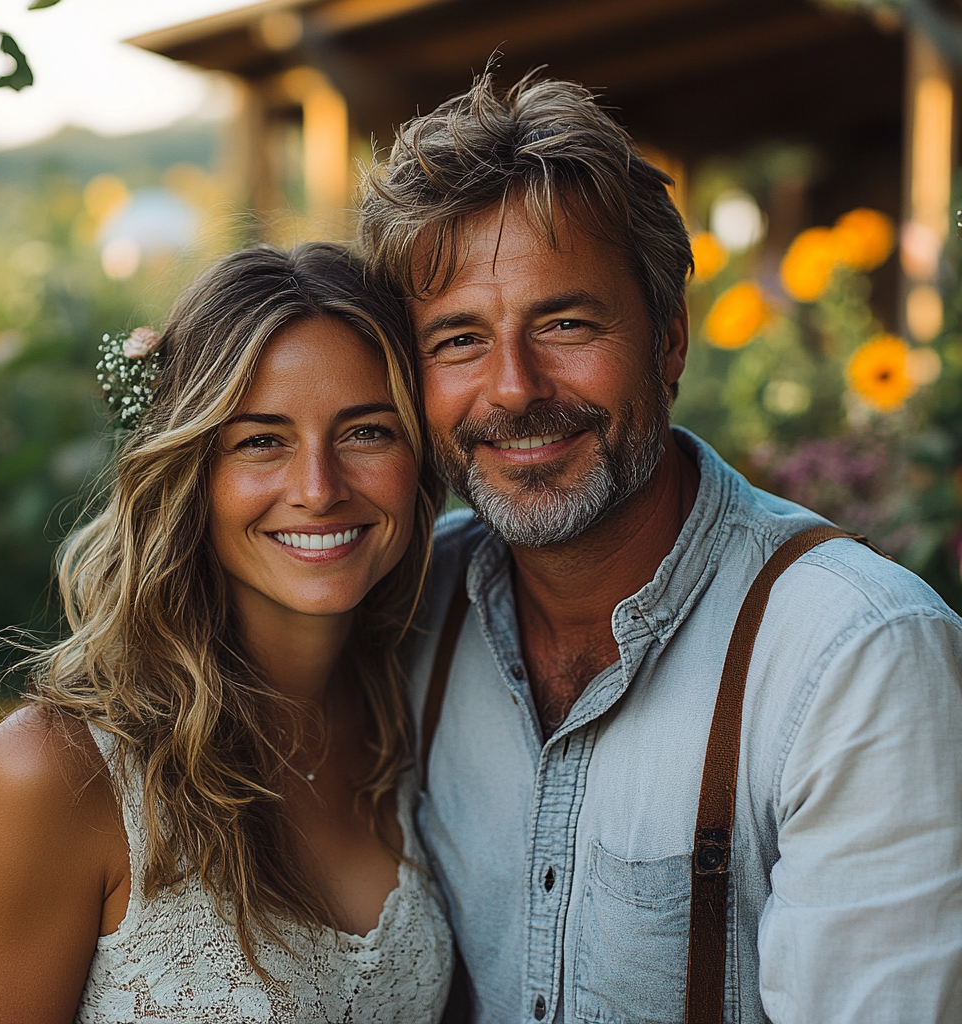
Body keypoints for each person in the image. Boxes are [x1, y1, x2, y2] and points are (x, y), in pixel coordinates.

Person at [357, 73, 962, 1023]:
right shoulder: (403, 611)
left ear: (669, 340)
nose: (512, 389)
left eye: (565, 323)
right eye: (459, 339)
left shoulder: (854, 657)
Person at [0, 243, 453, 1023]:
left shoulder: (418, 705)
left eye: (367, 432)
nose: (319, 489)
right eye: (260, 440)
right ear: (188, 473)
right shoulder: (56, 772)